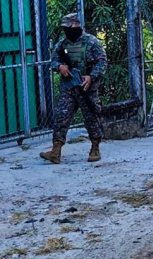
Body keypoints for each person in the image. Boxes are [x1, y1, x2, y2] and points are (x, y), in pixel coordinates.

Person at [40, 13, 107, 164]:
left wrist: (91, 76)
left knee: (91, 117)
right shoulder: (62, 44)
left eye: (69, 27)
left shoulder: (91, 42)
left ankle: (95, 148)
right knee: (61, 118)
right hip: (68, 88)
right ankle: (56, 151)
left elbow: (102, 62)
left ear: (77, 25)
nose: (67, 30)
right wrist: (60, 66)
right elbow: (53, 61)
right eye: (65, 28)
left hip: (86, 88)